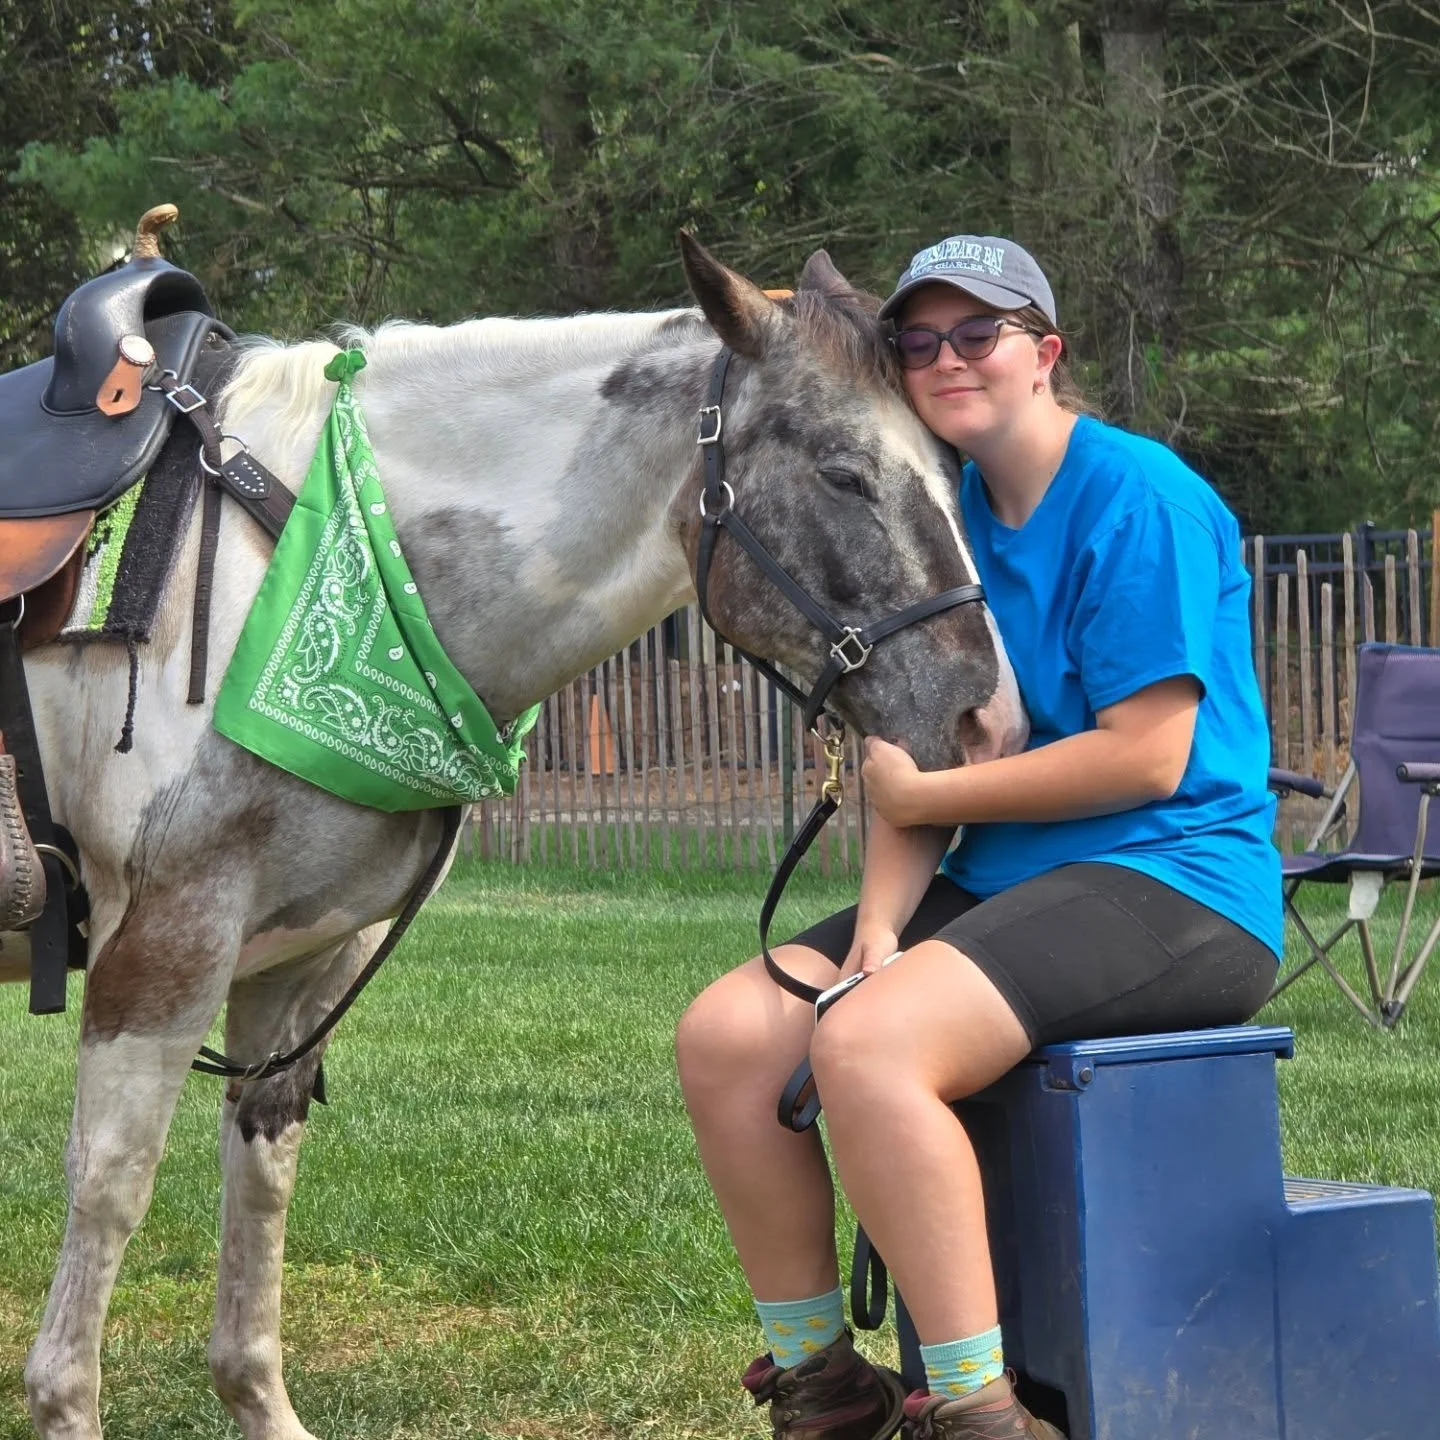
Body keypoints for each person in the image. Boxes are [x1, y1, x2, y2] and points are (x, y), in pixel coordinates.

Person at [674, 234, 1283, 1440]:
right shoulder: (940, 513)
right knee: (731, 1035)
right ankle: (823, 1384)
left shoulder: (1137, 496)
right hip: (1002, 884)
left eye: (978, 333)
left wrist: (923, 819)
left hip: (1179, 881)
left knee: (869, 1048)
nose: (944, 358)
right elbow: (922, 760)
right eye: (918, 340)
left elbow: (1146, 756)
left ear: (1044, 352)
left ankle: (977, 1411)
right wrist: (879, 934)